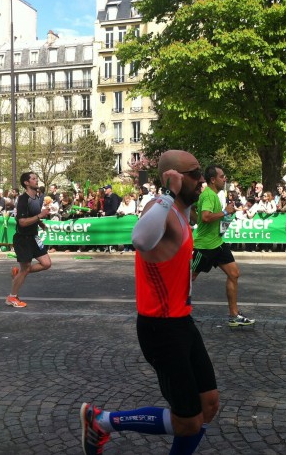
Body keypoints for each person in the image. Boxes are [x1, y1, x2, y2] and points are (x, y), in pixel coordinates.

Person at [79, 150, 219, 455]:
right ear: (175, 177)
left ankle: (102, 421)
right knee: (188, 422)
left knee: (209, 405)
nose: (201, 181)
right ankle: (102, 421)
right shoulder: (161, 207)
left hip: (182, 321)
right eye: (194, 174)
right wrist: (167, 192)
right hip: (161, 329)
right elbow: (141, 240)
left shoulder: (181, 212)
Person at [191, 165, 255, 327]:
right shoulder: (208, 196)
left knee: (234, 273)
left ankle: (234, 315)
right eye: (222, 176)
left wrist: (224, 217)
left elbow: (197, 213)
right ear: (213, 180)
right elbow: (205, 217)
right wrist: (225, 212)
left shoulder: (213, 195)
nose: (225, 179)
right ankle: (176, 313)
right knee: (187, 279)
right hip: (205, 247)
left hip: (218, 243)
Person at [7, 172, 51, 308]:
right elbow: (22, 222)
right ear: (26, 183)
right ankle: (11, 297)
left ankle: (19, 273)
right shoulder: (23, 200)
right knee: (25, 269)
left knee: (46, 263)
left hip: (33, 236)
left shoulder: (37, 197)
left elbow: (32, 216)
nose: (36, 180)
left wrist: (40, 224)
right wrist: (40, 216)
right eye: (33, 179)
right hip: (23, 239)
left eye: (36, 178)